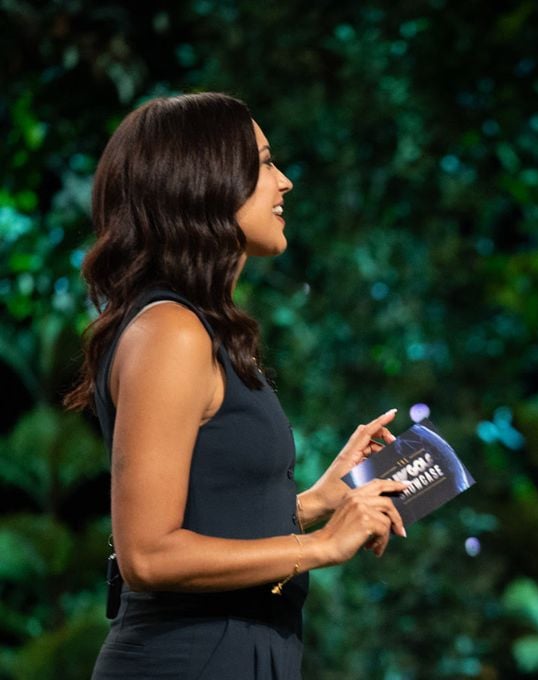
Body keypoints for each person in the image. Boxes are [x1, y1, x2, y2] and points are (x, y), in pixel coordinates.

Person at [63, 92, 409, 679]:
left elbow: (212, 522)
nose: (286, 182)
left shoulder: (199, 329)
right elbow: (147, 554)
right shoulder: (170, 331)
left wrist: (314, 504)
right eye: (267, 162)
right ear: (208, 181)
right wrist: (322, 546)